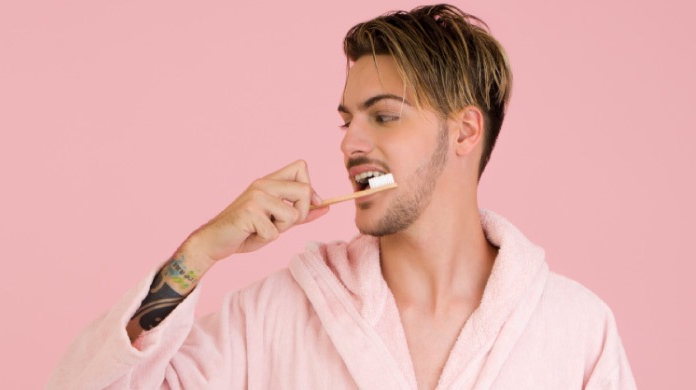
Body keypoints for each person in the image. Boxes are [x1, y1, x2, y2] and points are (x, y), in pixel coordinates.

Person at [47, 4, 636, 389]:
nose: (351, 142)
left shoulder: (576, 330)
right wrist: (200, 253)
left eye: (383, 117)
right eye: (346, 120)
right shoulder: (272, 317)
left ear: (464, 131)